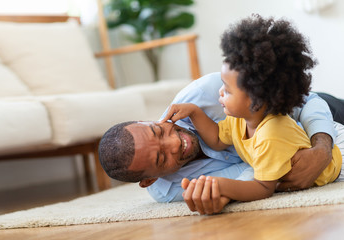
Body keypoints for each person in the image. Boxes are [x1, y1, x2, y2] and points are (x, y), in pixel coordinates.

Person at [98, 15, 344, 214]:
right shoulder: (168, 191)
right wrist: (223, 197)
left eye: (158, 130)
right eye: (162, 158)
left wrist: (321, 147)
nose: (175, 143)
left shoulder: (210, 92)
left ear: (150, 121)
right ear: (150, 180)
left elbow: (305, 99)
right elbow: (250, 175)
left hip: (313, 119)